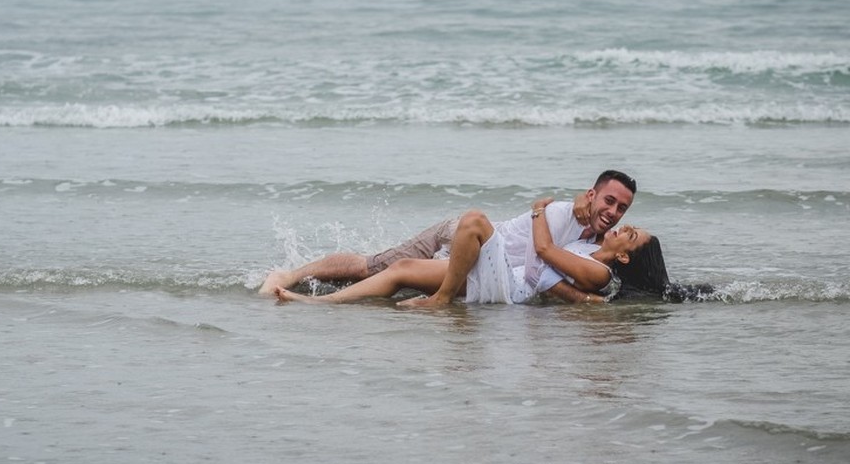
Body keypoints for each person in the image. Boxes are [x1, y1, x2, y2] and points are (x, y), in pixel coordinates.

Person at [259, 170, 636, 296]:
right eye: (608, 201)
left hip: (479, 259)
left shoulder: (590, 243)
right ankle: (290, 276)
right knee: (371, 267)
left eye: (621, 209)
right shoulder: (564, 212)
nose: (613, 212)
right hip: (461, 236)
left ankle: (316, 288)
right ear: (591, 194)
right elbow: (542, 255)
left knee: (391, 277)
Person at [274, 218, 654, 306]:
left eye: (630, 234)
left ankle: (441, 300)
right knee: (401, 269)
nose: (623, 226)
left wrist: (539, 209)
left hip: (510, 286)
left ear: (623, 256)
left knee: (473, 221)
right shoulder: (587, 247)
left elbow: (545, 257)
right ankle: (318, 300)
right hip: (505, 274)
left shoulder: (601, 271)